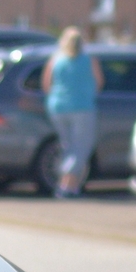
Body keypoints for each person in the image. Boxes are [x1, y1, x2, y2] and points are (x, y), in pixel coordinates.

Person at [40, 27, 101, 199]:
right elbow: (99, 82)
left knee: (67, 146)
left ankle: (71, 186)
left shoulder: (55, 60)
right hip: (82, 107)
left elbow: (46, 85)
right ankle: (65, 185)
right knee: (82, 147)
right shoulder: (89, 60)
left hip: (57, 107)